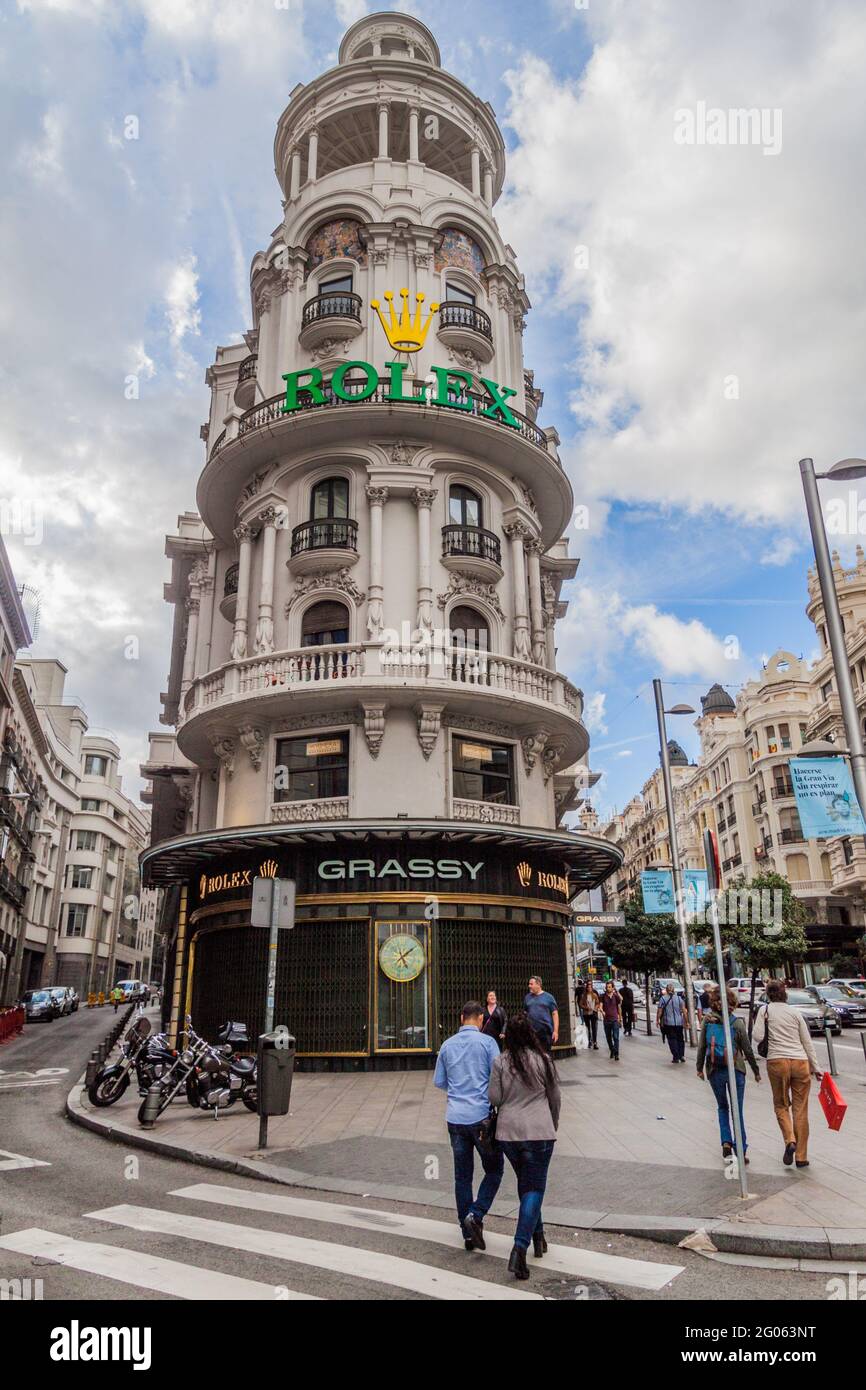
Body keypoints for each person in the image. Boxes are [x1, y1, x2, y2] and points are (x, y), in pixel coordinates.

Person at [489, 1012, 561, 1281]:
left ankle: (538, 1236)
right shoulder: (544, 1061)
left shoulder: (500, 1062)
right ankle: (520, 1247)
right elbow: (555, 1098)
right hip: (539, 1132)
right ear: (531, 1033)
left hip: (508, 1134)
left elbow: (494, 1098)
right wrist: (552, 1124)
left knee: (526, 1185)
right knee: (534, 1188)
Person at [434, 1001, 505, 1249]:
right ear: (481, 1019)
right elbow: (498, 1079)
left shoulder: (446, 1045)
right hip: (481, 1118)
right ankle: (476, 1214)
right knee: (494, 1169)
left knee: (462, 1176)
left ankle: (466, 1231)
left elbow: (440, 1081)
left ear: (462, 1017)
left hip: (455, 1117)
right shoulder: (488, 1044)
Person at [753, 979, 822, 1169]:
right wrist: (816, 1068)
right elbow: (807, 1042)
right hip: (800, 1062)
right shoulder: (795, 1013)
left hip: (777, 1062)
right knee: (801, 1109)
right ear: (785, 994)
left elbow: (758, 1036)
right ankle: (801, 1156)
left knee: (781, 1104)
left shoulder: (764, 1011)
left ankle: (789, 1140)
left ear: (768, 994)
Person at [696, 987, 761, 1162]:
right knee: (736, 1110)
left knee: (722, 1107)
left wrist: (699, 1068)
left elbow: (702, 1046)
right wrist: (756, 1071)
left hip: (715, 1070)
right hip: (736, 1070)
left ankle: (726, 1142)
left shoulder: (708, 1021)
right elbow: (747, 1049)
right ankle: (741, 1150)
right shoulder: (736, 1023)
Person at [524, 976, 559, 1051]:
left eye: (531, 984)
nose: (529, 986)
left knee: (545, 1057)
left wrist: (555, 1031)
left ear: (538, 984)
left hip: (545, 1033)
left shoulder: (549, 997)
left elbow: (555, 1014)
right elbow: (525, 1013)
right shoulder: (527, 998)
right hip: (531, 1033)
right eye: (529, 984)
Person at [657, 983, 686, 1063]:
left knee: (672, 1039)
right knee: (680, 1039)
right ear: (674, 990)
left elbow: (659, 1011)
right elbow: (684, 1011)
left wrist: (657, 1020)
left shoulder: (663, 999)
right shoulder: (679, 999)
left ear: (666, 990)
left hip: (668, 1023)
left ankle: (676, 1057)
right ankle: (681, 1055)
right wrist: (686, 1021)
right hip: (679, 1023)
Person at [600, 979, 623, 1060]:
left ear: (613, 988)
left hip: (615, 1020)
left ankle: (616, 1054)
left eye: (610, 987)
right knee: (608, 1037)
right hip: (606, 1020)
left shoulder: (616, 996)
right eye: (607, 987)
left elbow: (619, 1006)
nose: (608, 988)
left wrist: (620, 1018)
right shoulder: (603, 996)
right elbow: (600, 1006)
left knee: (616, 1037)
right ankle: (612, 1050)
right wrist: (602, 1011)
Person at [580, 980, 601, 1050]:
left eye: (590, 987)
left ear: (592, 988)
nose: (589, 989)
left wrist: (595, 1007)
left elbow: (598, 1003)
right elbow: (580, 1004)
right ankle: (589, 1041)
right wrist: (586, 1007)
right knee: (588, 1028)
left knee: (594, 1028)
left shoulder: (594, 995)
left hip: (593, 1014)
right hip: (586, 1014)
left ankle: (595, 1043)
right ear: (586, 988)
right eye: (588, 987)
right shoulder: (584, 996)